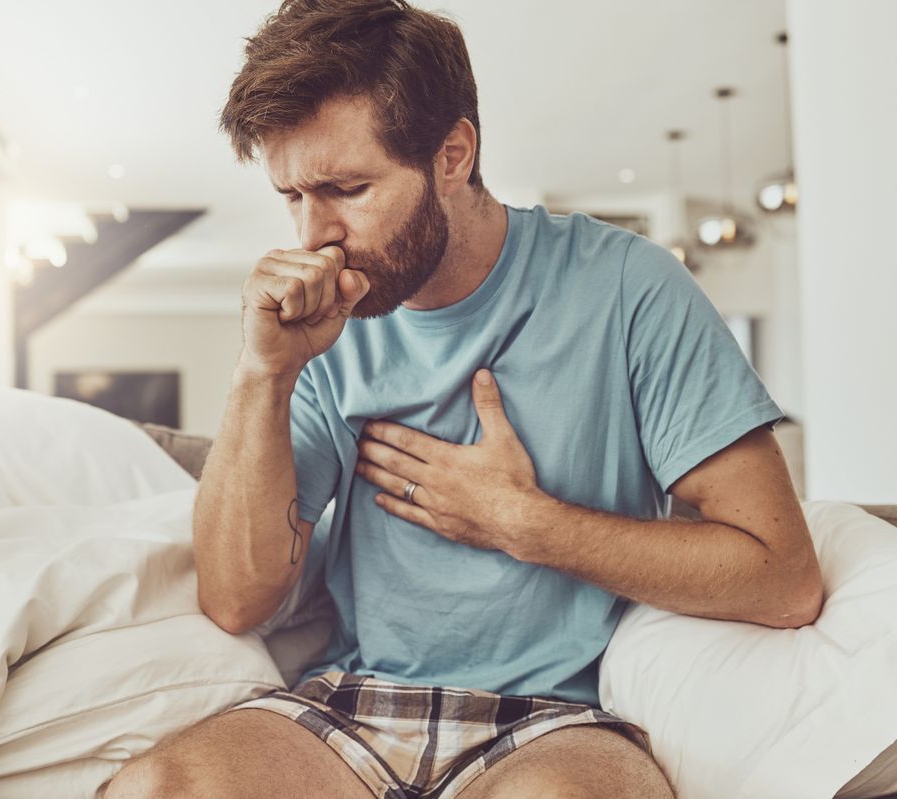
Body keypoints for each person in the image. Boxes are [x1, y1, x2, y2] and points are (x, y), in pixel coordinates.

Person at [103, 1, 823, 796]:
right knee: (158, 786)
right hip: (350, 708)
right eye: (293, 196)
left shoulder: (628, 287)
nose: (314, 237)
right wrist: (261, 374)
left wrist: (528, 523)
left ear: (453, 154)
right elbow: (235, 601)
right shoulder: (317, 327)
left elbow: (781, 576)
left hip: (552, 722)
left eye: (346, 187)